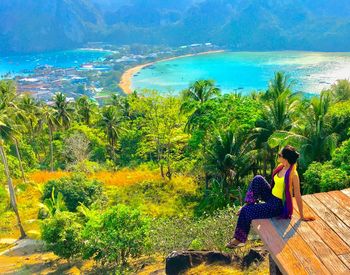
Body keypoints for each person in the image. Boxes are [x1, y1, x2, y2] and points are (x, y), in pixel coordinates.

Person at [226, 145, 315, 249]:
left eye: (280, 155)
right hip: (271, 196)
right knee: (258, 178)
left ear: (285, 158)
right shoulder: (281, 167)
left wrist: (302, 215)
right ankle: (248, 203)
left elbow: (298, 195)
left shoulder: (293, 174)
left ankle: (239, 239)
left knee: (246, 211)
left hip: (277, 205)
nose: (278, 156)